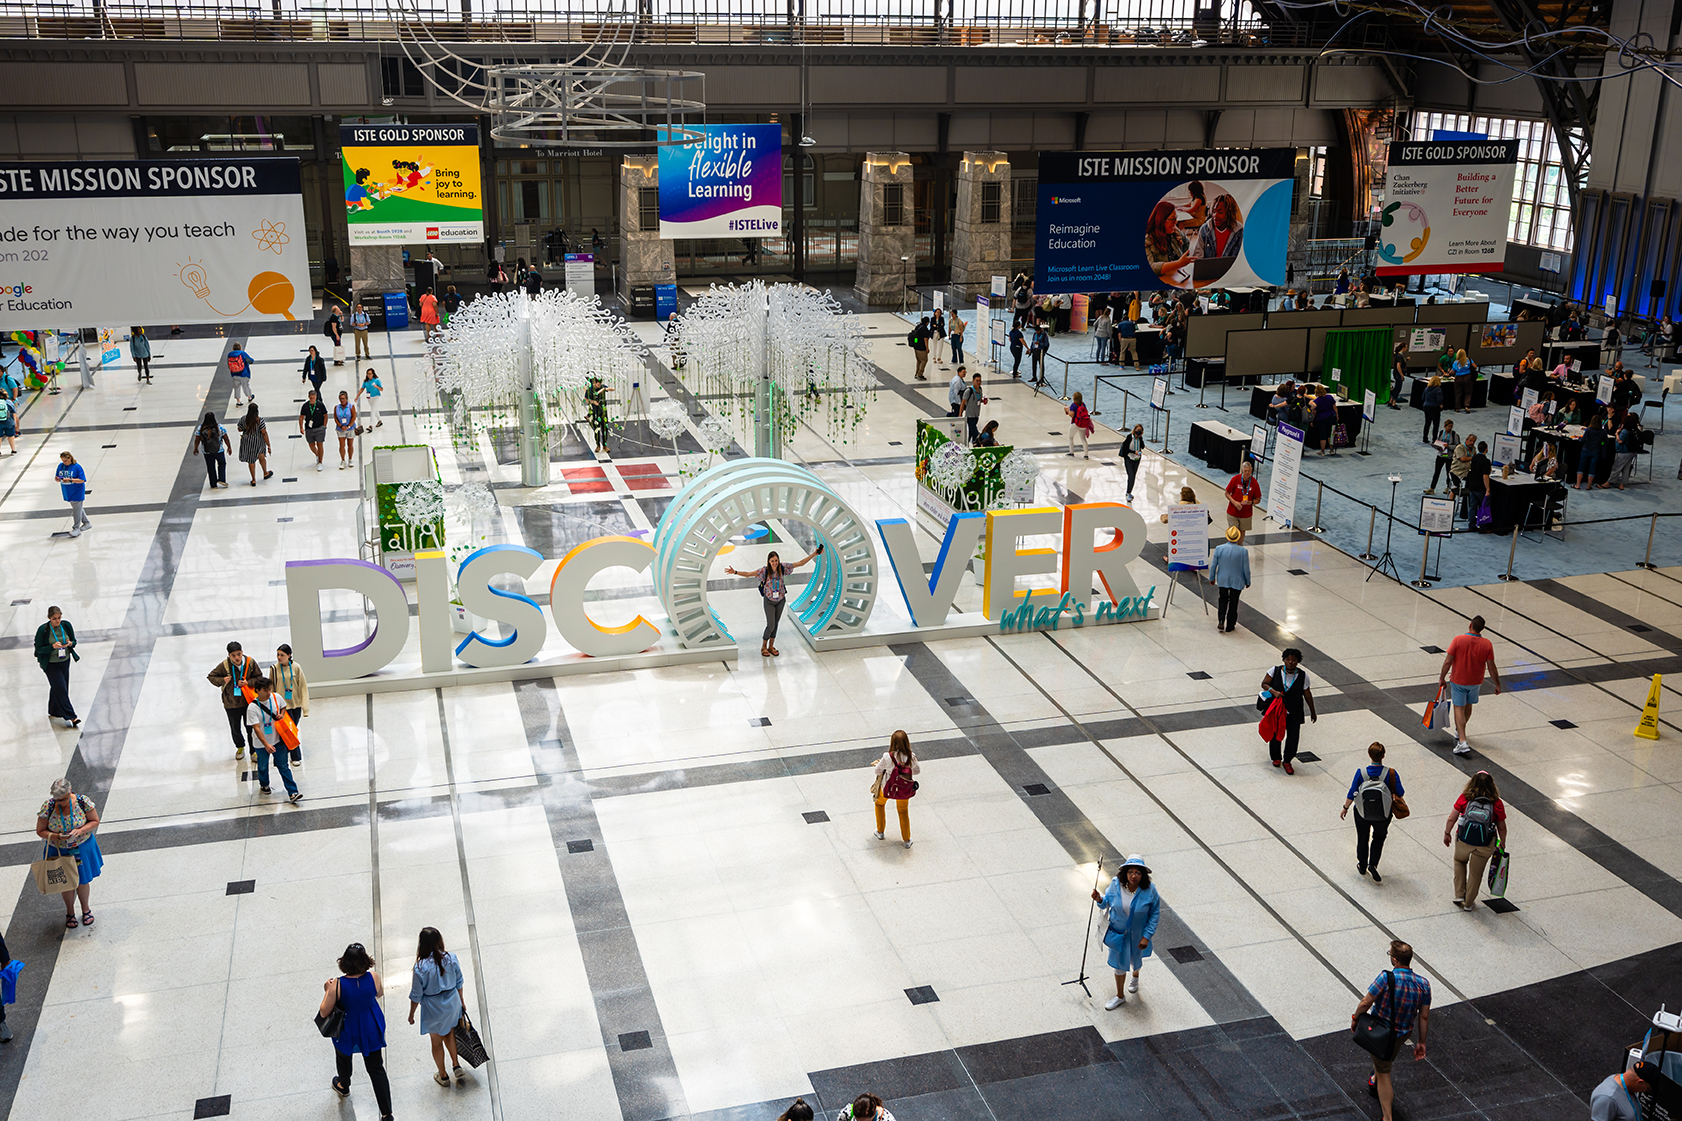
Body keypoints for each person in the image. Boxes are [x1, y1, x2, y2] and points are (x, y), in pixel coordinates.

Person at [1351, 940, 1430, 1121]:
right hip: (1402, 1034)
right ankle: (1375, 1078)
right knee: (1384, 1058)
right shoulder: (1424, 984)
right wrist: (1422, 1042)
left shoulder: (1386, 978)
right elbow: (1424, 1016)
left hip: (1381, 1032)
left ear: (1394, 960)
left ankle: (1387, 1117)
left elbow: (1366, 1002)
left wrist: (1355, 1018)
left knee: (1384, 1070)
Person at [322, 943, 393, 1121]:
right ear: (365, 961)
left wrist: (327, 990)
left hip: (347, 1028)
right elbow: (379, 994)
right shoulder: (374, 977)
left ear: (344, 962)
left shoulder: (337, 985)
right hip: (370, 1026)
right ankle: (386, 1113)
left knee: (343, 1056)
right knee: (376, 1068)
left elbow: (324, 1011)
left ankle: (343, 1084)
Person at [724, 546, 821, 658]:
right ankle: (764, 646)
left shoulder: (783, 567)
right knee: (770, 625)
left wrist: (814, 554)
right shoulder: (764, 571)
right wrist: (735, 572)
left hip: (780, 600)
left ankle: (771, 646)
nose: (774, 563)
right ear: (768, 562)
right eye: (772, 561)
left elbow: (800, 563)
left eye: (776, 561)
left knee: (776, 625)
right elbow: (748, 574)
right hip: (769, 601)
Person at [1091, 855, 1160, 1009]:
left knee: (1136, 960)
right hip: (1119, 934)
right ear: (1125, 873)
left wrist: (1146, 936)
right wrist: (1099, 899)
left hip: (1138, 936)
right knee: (1119, 965)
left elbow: (1154, 914)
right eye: (1130, 872)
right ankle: (1120, 996)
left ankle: (1135, 976)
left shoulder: (1150, 890)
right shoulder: (1116, 885)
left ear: (1143, 875)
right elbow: (1106, 902)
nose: (1133, 876)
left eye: (1137, 872)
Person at [36, 777, 102, 930]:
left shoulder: (82, 802)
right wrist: (58, 836)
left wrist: (80, 830)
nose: (62, 802)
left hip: (82, 847)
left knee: (83, 880)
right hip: (59, 849)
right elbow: (40, 831)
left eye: (65, 798)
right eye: (58, 800)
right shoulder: (48, 806)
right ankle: (70, 912)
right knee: (66, 883)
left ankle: (86, 909)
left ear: (70, 792)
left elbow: (94, 821)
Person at [408, 927, 467, 1086]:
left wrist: (411, 1014)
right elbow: (459, 982)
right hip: (452, 1002)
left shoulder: (420, 967)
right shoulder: (451, 958)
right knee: (449, 1033)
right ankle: (456, 1065)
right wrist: (461, 1001)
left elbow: (416, 994)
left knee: (436, 1041)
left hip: (433, 1008)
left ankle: (443, 1075)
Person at [1443, 770, 1507, 910]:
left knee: (1459, 861)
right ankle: (1469, 903)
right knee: (1475, 873)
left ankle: (1459, 894)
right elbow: (1502, 827)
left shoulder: (1465, 798)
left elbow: (1451, 818)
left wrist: (1447, 833)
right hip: (1485, 843)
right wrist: (1502, 842)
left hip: (1464, 839)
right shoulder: (1497, 803)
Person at [1341, 743, 1404, 881]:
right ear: (1383, 755)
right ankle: (1373, 864)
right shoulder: (1391, 773)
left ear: (1369, 755)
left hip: (1362, 813)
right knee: (1379, 837)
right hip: (1383, 814)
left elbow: (1353, 792)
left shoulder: (1361, 773)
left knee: (1362, 837)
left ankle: (1362, 864)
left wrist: (1345, 808)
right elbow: (1400, 792)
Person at [1438, 616, 1499, 756]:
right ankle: (1460, 730)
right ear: (1482, 628)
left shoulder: (1458, 640)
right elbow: (1491, 667)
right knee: (1469, 705)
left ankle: (1462, 741)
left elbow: (1448, 661)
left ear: (1470, 625)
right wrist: (1497, 683)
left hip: (1459, 680)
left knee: (1458, 708)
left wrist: (1442, 677)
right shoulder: (1487, 644)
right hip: (1476, 681)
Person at [1260, 648, 1316, 773]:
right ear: (1283, 660)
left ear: (1298, 662)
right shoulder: (1274, 671)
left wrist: (1312, 711)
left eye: (1294, 660)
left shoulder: (1302, 675)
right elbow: (1264, 683)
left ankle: (1287, 760)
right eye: (1288, 659)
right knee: (1275, 733)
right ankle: (1276, 757)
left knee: (1293, 737)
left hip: (1294, 711)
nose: (1290, 662)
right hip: (1277, 710)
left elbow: (1307, 694)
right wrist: (1273, 691)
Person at [246, 676, 301, 802]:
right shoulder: (252, 708)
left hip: (278, 739)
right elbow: (256, 728)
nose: (268, 693)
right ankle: (264, 784)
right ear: (257, 690)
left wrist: (281, 713)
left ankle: (293, 792)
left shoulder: (276, 697)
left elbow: (283, 706)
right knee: (263, 766)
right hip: (261, 744)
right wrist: (266, 744)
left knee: (283, 766)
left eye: (269, 689)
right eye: (265, 690)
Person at [209, 640, 262, 759]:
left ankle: (253, 751)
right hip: (231, 704)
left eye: (238, 654)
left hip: (248, 702)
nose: (237, 658)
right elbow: (211, 676)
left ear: (242, 652)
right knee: (235, 728)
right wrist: (223, 680)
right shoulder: (225, 665)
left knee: (251, 728)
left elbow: (259, 678)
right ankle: (240, 747)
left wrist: (248, 682)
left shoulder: (250, 662)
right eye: (233, 655)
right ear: (229, 655)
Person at [872, 730, 920, 848]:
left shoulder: (887, 756)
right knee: (903, 811)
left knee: (879, 804)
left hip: (887, 788)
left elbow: (877, 771)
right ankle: (907, 840)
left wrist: (886, 768)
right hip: (904, 790)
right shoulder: (911, 756)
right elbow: (917, 771)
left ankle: (880, 831)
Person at [35, 605, 80, 728]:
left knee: (60, 686)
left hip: (64, 661)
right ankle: (71, 716)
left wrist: (71, 643)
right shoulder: (43, 630)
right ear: (49, 618)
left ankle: (54, 710)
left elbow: (74, 641)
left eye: (59, 618)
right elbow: (39, 649)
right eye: (54, 618)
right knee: (61, 689)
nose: (57, 620)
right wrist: (52, 647)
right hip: (51, 664)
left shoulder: (66, 626)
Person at [273, 643, 309, 767]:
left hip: (295, 705)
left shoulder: (296, 667)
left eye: (282, 655)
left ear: (289, 655)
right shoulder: (274, 669)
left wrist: (305, 708)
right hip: (282, 707)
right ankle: (295, 756)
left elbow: (303, 687)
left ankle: (287, 752)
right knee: (290, 731)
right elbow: (271, 689)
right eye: (278, 655)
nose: (279, 657)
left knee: (291, 730)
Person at [1210, 526, 1250, 634]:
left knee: (1222, 599)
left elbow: (1213, 565)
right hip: (1237, 581)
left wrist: (1212, 577)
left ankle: (1221, 620)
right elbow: (1246, 569)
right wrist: (1248, 581)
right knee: (1234, 602)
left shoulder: (1219, 548)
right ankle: (1230, 625)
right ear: (1238, 537)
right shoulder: (1243, 551)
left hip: (1223, 580)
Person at [1144, 200, 1194, 283]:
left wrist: (1182, 261)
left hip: (1178, 277)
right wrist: (1178, 263)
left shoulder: (1174, 231)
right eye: (1172, 219)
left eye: (1176, 218)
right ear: (1161, 220)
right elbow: (1150, 267)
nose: (1176, 222)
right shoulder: (1148, 239)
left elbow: (1186, 242)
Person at [1589, 1061, 1655, 1121]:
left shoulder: (1623, 1082)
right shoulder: (1608, 1098)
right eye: (1647, 1089)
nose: (1644, 1091)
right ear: (1640, 1082)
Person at [235, 402, 272, 487]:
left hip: (247, 442)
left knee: (251, 461)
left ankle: (253, 479)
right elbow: (264, 433)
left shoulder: (244, 419)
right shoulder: (260, 420)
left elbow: (239, 429)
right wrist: (268, 444)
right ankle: (265, 472)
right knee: (261, 456)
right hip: (258, 441)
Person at [55, 451, 90, 538]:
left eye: (65, 460)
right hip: (67, 490)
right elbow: (58, 476)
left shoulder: (77, 467)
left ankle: (76, 528)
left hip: (77, 490)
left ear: (70, 458)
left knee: (76, 508)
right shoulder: (60, 466)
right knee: (77, 507)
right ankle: (86, 522)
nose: (64, 462)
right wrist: (57, 479)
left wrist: (71, 480)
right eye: (62, 460)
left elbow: (82, 480)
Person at [1602, 419, 1641, 489]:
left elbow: (1620, 441)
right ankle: (1623, 484)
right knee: (1626, 468)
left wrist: (1617, 434)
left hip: (1623, 452)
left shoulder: (1624, 431)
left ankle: (1609, 482)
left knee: (1616, 467)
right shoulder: (1636, 430)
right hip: (1632, 452)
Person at [1224, 460, 1261, 530]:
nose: (1247, 473)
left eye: (1249, 471)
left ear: (1251, 470)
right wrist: (1235, 503)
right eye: (1245, 471)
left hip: (1246, 514)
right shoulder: (1235, 479)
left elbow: (1258, 499)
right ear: (1242, 470)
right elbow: (1227, 493)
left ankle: (1240, 542)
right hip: (1233, 512)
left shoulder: (1254, 483)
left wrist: (1251, 502)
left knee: (1242, 532)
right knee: (1233, 533)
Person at [299, 391, 329, 472]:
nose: (312, 399)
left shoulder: (320, 405)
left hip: (319, 428)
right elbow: (301, 417)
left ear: (316, 397)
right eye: (311, 398)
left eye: (313, 398)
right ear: (309, 397)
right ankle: (317, 454)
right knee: (311, 445)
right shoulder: (305, 406)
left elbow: (325, 415)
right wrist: (301, 427)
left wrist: (324, 426)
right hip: (309, 429)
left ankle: (320, 462)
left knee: (320, 444)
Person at [1465, 440, 1492, 527]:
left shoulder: (1474, 458)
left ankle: (1471, 525)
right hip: (1481, 487)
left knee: (1472, 506)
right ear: (1486, 449)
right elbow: (1485, 476)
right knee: (1483, 507)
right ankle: (1483, 527)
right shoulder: (1486, 461)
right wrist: (1488, 489)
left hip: (1472, 486)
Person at [1424, 419, 1456, 494]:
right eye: (1449, 426)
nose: (1450, 428)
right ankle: (1432, 488)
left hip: (1449, 457)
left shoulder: (1454, 435)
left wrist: (1449, 446)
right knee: (1436, 472)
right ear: (1445, 426)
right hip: (1441, 455)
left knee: (1449, 473)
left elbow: (1457, 446)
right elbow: (1438, 441)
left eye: (1451, 426)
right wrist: (1436, 445)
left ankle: (1448, 487)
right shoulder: (1441, 432)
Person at [584, 375, 610, 453]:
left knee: (605, 429)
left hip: (603, 413)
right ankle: (598, 445)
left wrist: (605, 389)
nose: (598, 385)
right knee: (596, 430)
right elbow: (586, 399)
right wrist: (593, 402)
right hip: (595, 412)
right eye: (597, 383)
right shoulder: (590, 390)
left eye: (599, 383)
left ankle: (605, 445)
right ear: (594, 382)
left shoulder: (602, 387)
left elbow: (609, 388)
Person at [1312, 383, 1339, 456]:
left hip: (1321, 419)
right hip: (1331, 417)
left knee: (1323, 435)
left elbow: (1314, 412)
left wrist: (1312, 420)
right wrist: (1337, 415)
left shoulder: (1317, 401)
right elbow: (1335, 407)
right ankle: (1331, 450)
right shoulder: (1330, 397)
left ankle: (1322, 451)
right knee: (1331, 434)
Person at [1120, 423, 1145, 501]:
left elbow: (1143, 446)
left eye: (1140, 430)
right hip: (1129, 458)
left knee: (1133, 476)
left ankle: (1129, 491)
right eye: (1137, 430)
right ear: (1134, 430)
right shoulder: (1129, 437)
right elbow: (1125, 449)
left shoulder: (1140, 438)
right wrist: (1134, 452)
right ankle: (1128, 493)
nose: (1138, 432)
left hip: (1137, 459)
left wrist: (1141, 438)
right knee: (1131, 475)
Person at [961, 372, 987, 445]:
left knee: (970, 433)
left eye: (980, 381)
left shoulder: (980, 389)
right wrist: (960, 415)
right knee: (975, 433)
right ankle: (979, 444)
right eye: (977, 380)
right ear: (973, 381)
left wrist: (983, 401)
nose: (979, 382)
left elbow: (978, 400)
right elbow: (963, 403)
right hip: (970, 416)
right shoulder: (969, 391)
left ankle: (967, 444)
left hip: (976, 415)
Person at [334, 390, 358, 470]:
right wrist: (341, 426)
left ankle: (350, 459)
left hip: (350, 428)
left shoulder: (351, 406)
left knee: (350, 445)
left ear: (346, 399)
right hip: (340, 429)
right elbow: (335, 418)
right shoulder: (336, 407)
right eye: (340, 398)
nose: (342, 400)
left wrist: (348, 426)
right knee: (342, 445)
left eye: (343, 398)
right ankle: (343, 460)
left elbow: (354, 417)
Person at [1066, 391, 1094, 457]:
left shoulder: (1073, 405)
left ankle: (1071, 452)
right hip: (1083, 424)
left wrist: (1067, 411)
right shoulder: (1083, 404)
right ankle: (1086, 454)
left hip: (1076, 423)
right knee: (1083, 439)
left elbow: (1072, 415)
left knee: (1070, 437)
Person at [1421, 376, 1444, 443]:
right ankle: (1434, 439)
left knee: (1427, 423)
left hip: (1426, 406)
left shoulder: (1426, 388)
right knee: (1435, 424)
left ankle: (1425, 438)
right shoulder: (1438, 389)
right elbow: (1439, 399)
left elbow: (1423, 397)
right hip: (1434, 407)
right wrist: (1441, 405)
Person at [1029, 320, 1050, 384]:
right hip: (1034, 350)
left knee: (1041, 365)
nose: (1037, 332)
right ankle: (1034, 376)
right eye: (1036, 331)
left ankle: (1041, 378)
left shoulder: (1044, 335)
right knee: (1034, 364)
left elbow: (1047, 344)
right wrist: (1030, 349)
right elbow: (1032, 342)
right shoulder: (1035, 334)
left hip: (1040, 351)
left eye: (1038, 331)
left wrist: (1040, 343)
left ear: (1040, 329)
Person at [908, 316, 930, 381]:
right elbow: (925, 339)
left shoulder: (918, 326)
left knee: (919, 361)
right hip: (921, 347)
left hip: (916, 346)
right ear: (927, 323)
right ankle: (920, 374)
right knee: (924, 360)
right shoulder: (925, 329)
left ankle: (917, 373)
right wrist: (927, 348)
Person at [0, 390, 17, 456]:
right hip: (9, 422)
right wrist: (14, 422)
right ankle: (13, 450)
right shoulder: (9, 402)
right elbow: (14, 413)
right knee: (10, 436)